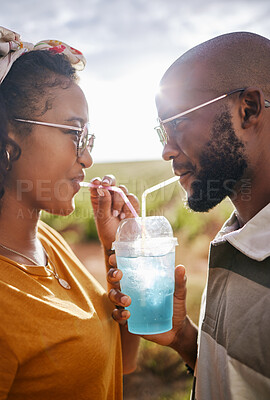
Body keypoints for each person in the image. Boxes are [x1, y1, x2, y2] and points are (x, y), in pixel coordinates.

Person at [108, 31, 270, 399]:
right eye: (161, 132)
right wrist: (184, 337)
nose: (167, 150)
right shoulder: (237, 238)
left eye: (177, 123)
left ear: (248, 109)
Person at [0, 26, 140, 400]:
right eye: (74, 134)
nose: (88, 158)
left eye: (88, 139)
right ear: (9, 142)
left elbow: (120, 363)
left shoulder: (48, 241)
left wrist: (119, 247)